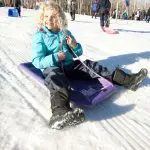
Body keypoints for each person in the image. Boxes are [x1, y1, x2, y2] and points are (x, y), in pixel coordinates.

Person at [32, 1, 148, 130]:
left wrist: (74, 45)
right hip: (52, 67)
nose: (49, 20)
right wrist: (54, 57)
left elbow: (79, 52)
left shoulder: (65, 33)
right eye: (46, 16)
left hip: (70, 66)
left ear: (59, 18)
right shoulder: (40, 36)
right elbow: (37, 60)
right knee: (56, 78)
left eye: (53, 17)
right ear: (42, 17)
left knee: (90, 66)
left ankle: (129, 81)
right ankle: (60, 113)